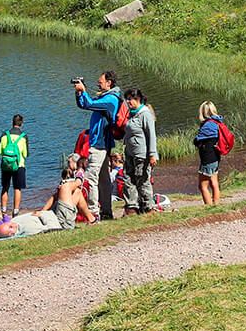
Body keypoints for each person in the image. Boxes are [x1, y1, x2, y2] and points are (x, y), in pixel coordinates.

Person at [74, 71, 123, 221]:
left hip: (100, 144)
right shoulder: (106, 97)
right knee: (103, 179)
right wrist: (79, 93)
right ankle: (106, 212)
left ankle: (94, 212)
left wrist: (84, 91)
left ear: (109, 83)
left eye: (100, 81)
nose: (98, 83)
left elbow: (90, 104)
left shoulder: (110, 100)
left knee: (91, 178)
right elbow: (83, 105)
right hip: (100, 143)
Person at [122, 88, 159, 215]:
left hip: (141, 154)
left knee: (142, 180)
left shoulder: (145, 114)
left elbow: (151, 135)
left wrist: (152, 154)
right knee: (129, 179)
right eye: (127, 99)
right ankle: (132, 207)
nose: (128, 102)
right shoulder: (132, 113)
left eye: (130, 99)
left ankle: (148, 207)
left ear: (137, 99)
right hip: (130, 153)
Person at [38, 157, 95, 228]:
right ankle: (92, 219)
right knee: (75, 191)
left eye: (69, 162)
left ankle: (78, 181)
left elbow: (55, 196)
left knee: (68, 188)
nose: (68, 165)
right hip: (64, 217)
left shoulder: (67, 185)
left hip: (63, 219)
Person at [194, 101, 226, 206]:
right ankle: (216, 205)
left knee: (202, 186)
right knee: (214, 182)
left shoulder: (207, 126)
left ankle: (209, 206)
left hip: (208, 159)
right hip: (216, 157)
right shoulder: (218, 122)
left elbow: (197, 140)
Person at [0, 115, 29, 213]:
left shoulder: (4, 135)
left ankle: (3, 210)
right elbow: (25, 154)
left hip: (6, 165)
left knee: (5, 187)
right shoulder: (23, 136)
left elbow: (0, 151)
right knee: (17, 188)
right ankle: (15, 210)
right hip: (19, 165)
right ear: (21, 123)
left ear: (12, 122)